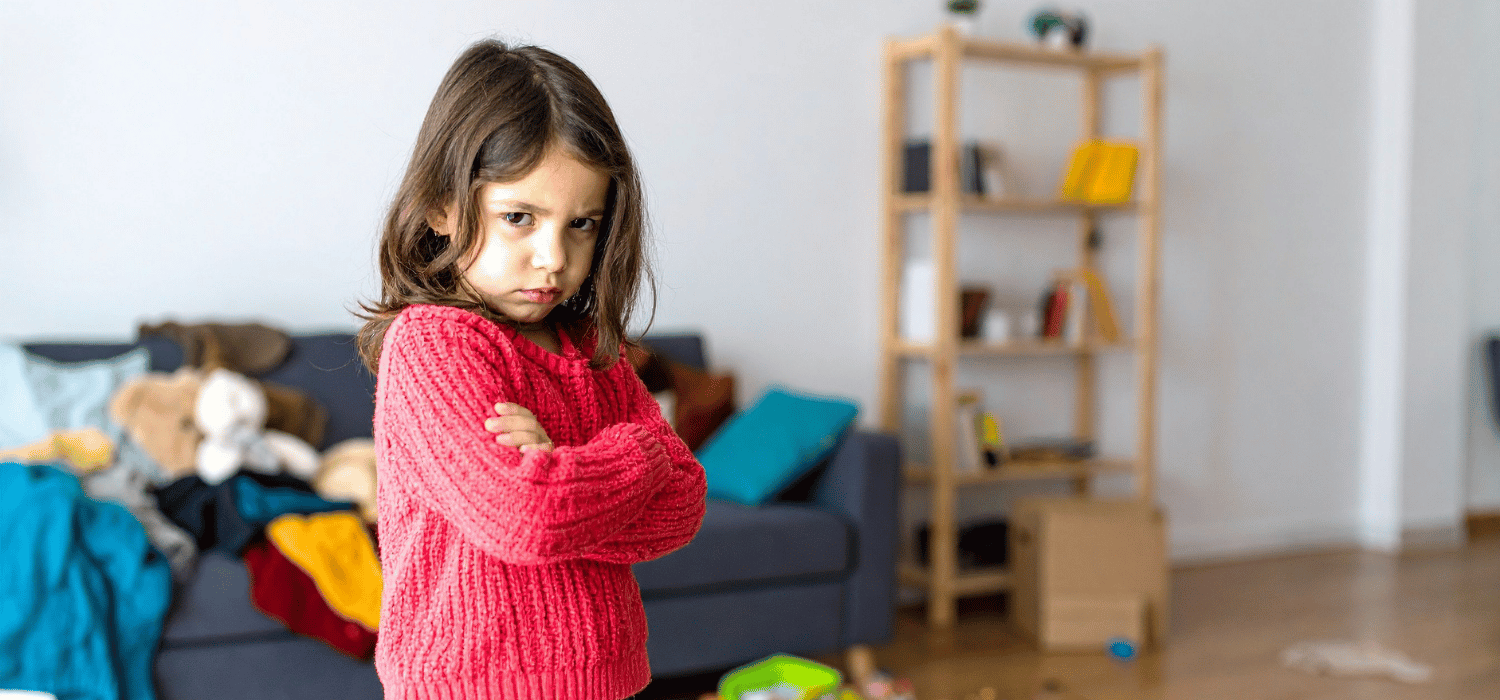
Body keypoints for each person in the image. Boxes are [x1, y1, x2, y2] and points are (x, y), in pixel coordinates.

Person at [355, 39, 706, 700]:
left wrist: (562, 463)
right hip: (469, 685)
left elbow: (683, 503)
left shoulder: (587, 345)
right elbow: (527, 516)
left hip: (609, 675)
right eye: (520, 218)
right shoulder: (434, 344)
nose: (553, 257)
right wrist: (640, 449)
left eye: (582, 224)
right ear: (441, 207)